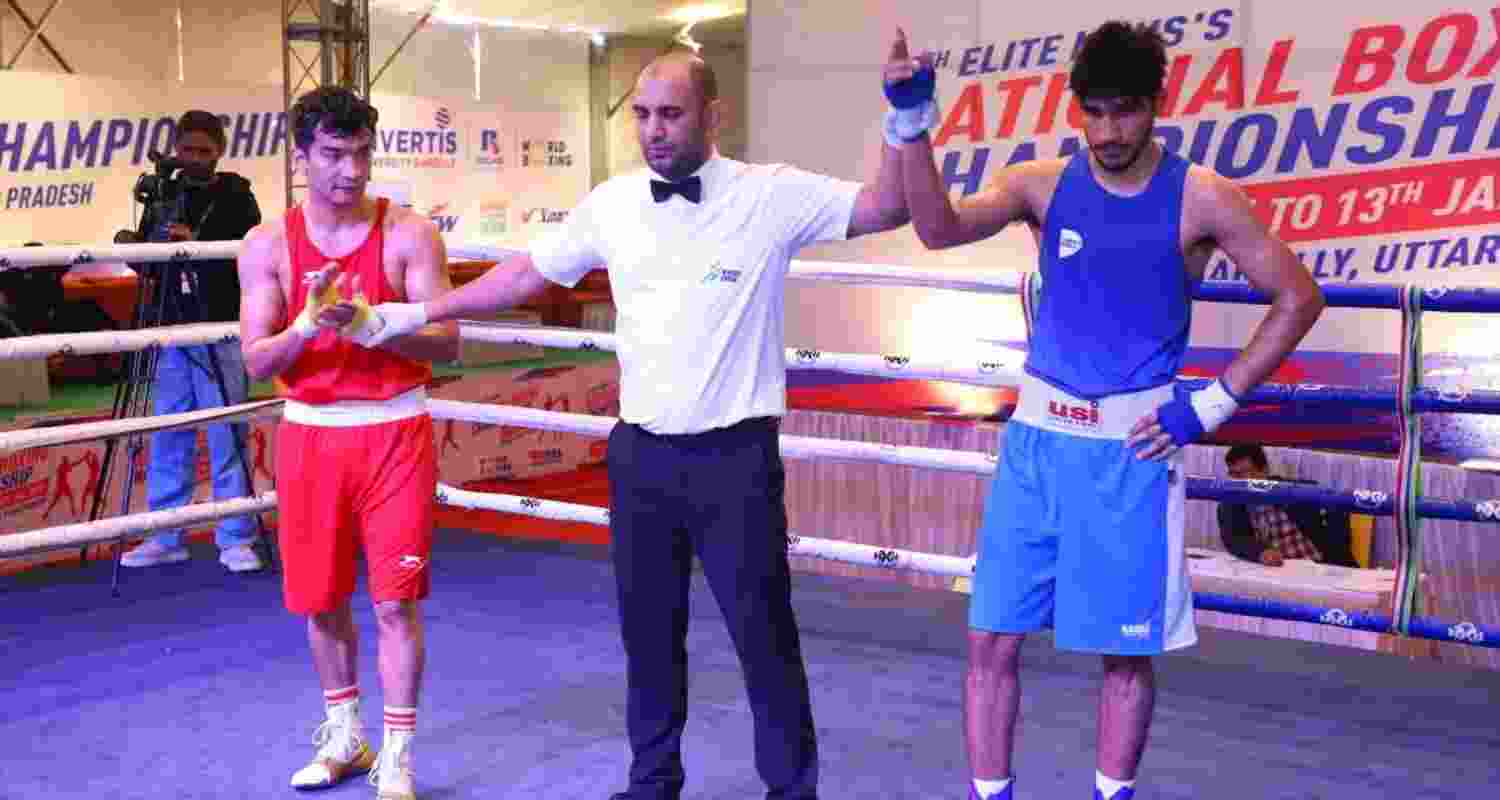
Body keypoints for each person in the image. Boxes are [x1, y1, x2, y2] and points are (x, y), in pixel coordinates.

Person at [337, 42, 913, 800]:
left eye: (671, 114)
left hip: (734, 459)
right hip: (640, 457)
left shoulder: (769, 194)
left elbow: (886, 205)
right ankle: (652, 783)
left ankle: (791, 790)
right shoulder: (612, 203)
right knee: (648, 637)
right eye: (641, 114)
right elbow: (522, 275)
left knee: (763, 636)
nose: (654, 130)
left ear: (715, 114)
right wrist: (409, 312)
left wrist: (907, 117)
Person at [887, 21, 1326, 800]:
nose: (1107, 131)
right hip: (1036, 445)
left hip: (1133, 453)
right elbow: (936, 228)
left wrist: (1213, 405)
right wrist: (912, 121)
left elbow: (1297, 296)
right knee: (990, 636)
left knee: (1125, 653)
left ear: (1157, 104)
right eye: (1093, 111)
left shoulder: (1203, 197)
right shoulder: (1041, 184)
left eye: (1124, 111)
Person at [235, 86, 458, 800]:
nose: (351, 171)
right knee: (321, 600)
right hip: (309, 438)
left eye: (361, 153)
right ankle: (345, 737)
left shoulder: (409, 234)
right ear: (301, 157)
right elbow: (256, 361)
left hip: (393, 431)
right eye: (333, 154)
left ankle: (397, 751)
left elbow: (449, 341)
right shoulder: (267, 245)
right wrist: (306, 325)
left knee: (395, 603)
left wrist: (371, 323)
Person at [119, 110, 266, 572]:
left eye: (205, 151)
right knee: (169, 433)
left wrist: (196, 241)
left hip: (220, 328)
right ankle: (166, 535)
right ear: (177, 149)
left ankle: (236, 537)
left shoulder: (238, 195)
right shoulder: (162, 194)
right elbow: (148, 259)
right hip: (170, 328)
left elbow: (251, 258)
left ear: (220, 151)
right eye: (189, 150)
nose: (196, 159)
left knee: (228, 434)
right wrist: (135, 247)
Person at [1218, 444, 1359, 568]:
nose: (1237, 480)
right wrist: (1260, 553)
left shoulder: (1296, 490)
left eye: (1243, 473)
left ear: (1264, 471)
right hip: (1277, 572)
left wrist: (1335, 553)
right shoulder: (1229, 504)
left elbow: (1338, 507)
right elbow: (1234, 540)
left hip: (1318, 566)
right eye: (1233, 474)